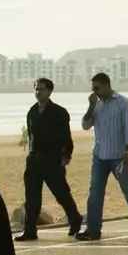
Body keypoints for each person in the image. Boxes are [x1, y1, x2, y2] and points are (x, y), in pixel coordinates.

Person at [77, 72, 128, 240]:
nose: (94, 91)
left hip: (119, 156)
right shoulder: (96, 104)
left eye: (97, 88)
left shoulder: (123, 103)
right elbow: (85, 125)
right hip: (99, 156)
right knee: (95, 192)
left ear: (107, 85)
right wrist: (90, 106)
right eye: (92, 88)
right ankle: (93, 229)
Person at [18, 78, 82, 240]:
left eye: (41, 89)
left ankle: (75, 220)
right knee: (31, 197)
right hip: (33, 159)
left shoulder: (59, 112)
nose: (38, 92)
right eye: (36, 89)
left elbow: (66, 137)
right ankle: (30, 231)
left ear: (50, 91)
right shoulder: (32, 112)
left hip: (52, 159)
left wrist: (66, 155)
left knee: (61, 194)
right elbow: (31, 135)